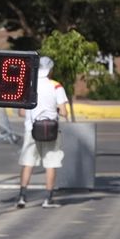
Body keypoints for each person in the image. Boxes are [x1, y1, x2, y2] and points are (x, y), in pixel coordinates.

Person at [17, 55, 71, 209]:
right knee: (50, 164)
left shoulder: (29, 85)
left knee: (28, 163)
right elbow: (64, 112)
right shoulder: (56, 86)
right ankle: (48, 199)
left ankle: (22, 197)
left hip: (31, 130)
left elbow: (21, 112)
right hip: (51, 131)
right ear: (50, 70)